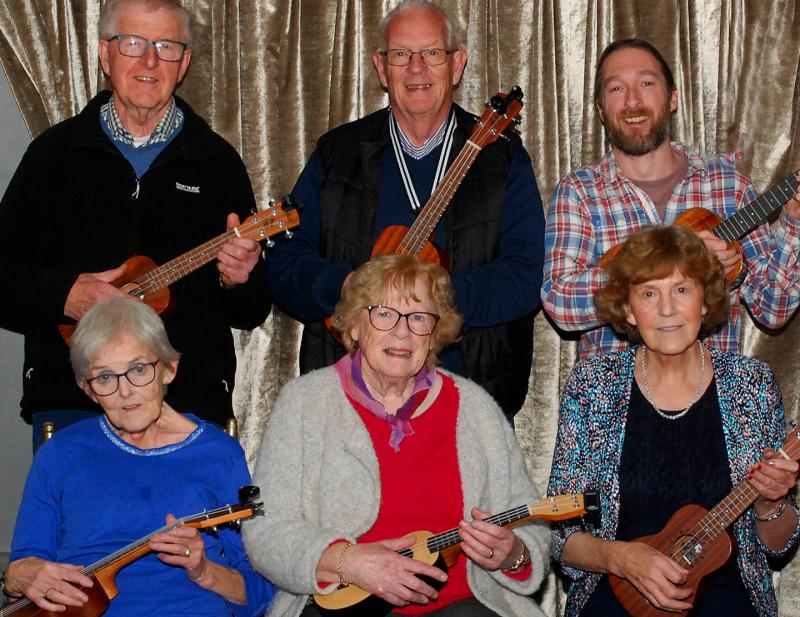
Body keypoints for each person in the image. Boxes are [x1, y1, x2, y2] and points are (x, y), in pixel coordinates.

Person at [0, 0, 270, 450]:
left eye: (165, 46)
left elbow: (251, 310)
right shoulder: (54, 156)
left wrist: (239, 279)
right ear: (105, 55)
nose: (149, 60)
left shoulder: (217, 164)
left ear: (183, 63)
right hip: (73, 406)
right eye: (133, 43)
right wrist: (66, 296)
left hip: (186, 409)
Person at [267, 0, 544, 422]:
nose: (416, 68)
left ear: (457, 65)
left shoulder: (502, 160)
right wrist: (348, 286)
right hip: (346, 406)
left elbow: (526, 274)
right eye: (401, 55)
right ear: (382, 68)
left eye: (432, 53)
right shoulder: (337, 153)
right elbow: (285, 261)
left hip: (469, 401)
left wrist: (432, 300)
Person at [244, 254, 550, 617]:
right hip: (341, 608)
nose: (402, 332)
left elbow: (529, 522)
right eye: (384, 314)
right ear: (355, 326)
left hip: (463, 605)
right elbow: (266, 531)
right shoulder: (304, 403)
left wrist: (513, 554)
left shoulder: (473, 407)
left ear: (435, 334)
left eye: (419, 318)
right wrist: (349, 561)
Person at [546, 225, 800, 617]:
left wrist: (771, 502)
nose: (667, 309)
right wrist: (622, 559)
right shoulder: (593, 385)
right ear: (629, 309)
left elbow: (776, 544)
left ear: (704, 300)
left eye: (681, 290)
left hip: (727, 592)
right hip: (620, 588)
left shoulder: (752, 384)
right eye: (649, 293)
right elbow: (562, 537)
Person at [0, 299, 275, 616]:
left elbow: (262, 592)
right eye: (104, 377)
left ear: (169, 369)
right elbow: (21, 569)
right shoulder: (61, 453)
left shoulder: (218, 454)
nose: (125, 391)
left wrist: (204, 572)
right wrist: (21, 576)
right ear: (86, 389)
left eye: (138, 369)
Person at [541, 38, 800, 359]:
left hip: (713, 393)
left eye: (647, 83)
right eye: (616, 89)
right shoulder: (579, 192)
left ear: (673, 98)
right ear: (600, 110)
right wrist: (670, 265)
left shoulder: (729, 185)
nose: (633, 101)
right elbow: (560, 303)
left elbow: (775, 308)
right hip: (614, 398)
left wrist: (786, 227)